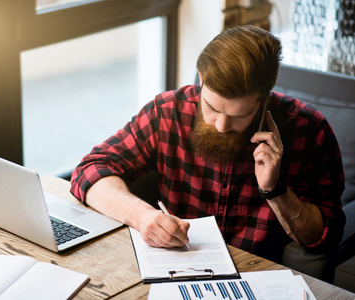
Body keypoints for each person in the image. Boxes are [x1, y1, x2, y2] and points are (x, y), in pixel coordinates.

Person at [70, 25, 345, 262]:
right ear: (201, 79)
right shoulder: (167, 112)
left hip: (259, 274)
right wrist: (142, 216)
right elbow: (90, 171)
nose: (222, 126)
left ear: (265, 98)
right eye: (211, 107)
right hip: (176, 265)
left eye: (240, 115)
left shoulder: (310, 130)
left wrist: (275, 191)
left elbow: (326, 238)